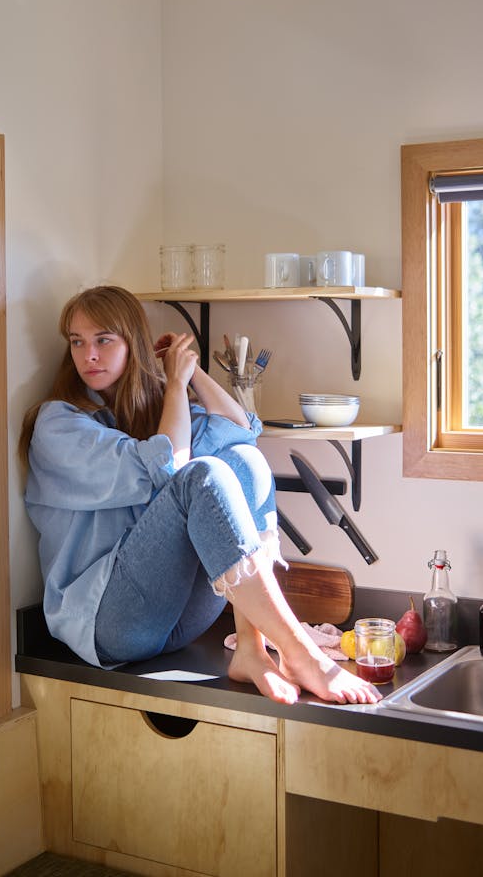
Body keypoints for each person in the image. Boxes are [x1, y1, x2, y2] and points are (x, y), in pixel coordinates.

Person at [19, 284, 379, 706]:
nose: (88, 355)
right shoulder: (58, 423)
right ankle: (301, 652)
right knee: (202, 473)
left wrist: (193, 373)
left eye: (103, 340)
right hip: (108, 623)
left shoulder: (154, 413)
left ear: (133, 344)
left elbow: (244, 432)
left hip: (175, 619)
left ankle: (252, 648)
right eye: (77, 342)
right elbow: (171, 464)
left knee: (242, 459)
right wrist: (174, 385)